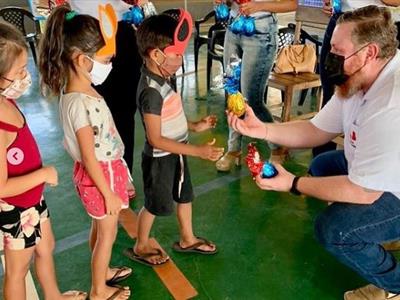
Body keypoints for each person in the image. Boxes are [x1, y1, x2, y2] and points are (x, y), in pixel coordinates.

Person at [228, 6, 400, 300]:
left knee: (334, 230)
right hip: (378, 171)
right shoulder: (360, 76)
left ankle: (394, 285)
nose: (328, 57)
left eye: (337, 50)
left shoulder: (390, 104)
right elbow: (317, 130)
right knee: (323, 165)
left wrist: (293, 184)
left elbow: (363, 192)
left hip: (384, 186)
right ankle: (380, 230)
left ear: (369, 53)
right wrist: (263, 130)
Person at [38, 6, 132, 300]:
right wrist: (109, 193)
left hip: (104, 171)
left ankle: (101, 272)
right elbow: (91, 157)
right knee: (108, 235)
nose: (109, 65)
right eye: (105, 60)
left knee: (99, 227)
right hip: (100, 174)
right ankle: (99, 289)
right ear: (81, 59)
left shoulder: (80, 90)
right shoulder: (79, 103)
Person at [124, 11, 224, 266]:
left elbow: (171, 120)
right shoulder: (151, 91)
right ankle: (141, 244)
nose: (181, 59)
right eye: (177, 54)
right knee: (154, 205)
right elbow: (156, 138)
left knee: (185, 196)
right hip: (160, 159)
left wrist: (194, 125)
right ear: (156, 55)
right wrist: (198, 151)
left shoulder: (163, 78)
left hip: (177, 153)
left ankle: (187, 238)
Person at [0, 22, 86, 300]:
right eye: (19, 72)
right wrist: (43, 174)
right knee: (18, 269)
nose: (26, 77)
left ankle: (53, 296)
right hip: (15, 207)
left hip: (32, 200)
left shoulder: (6, 101)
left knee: (46, 246)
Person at [213, 0, 297, 172]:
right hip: (234, 28)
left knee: (251, 100)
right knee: (232, 93)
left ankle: (277, 146)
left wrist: (259, 6)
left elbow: (294, 4)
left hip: (261, 32)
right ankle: (233, 149)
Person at [314, 0, 400, 157]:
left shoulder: (391, 101)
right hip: (344, 19)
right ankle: (329, 153)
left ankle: (362, 154)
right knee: (335, 91)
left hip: (375, 27)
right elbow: (314, 129)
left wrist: (295, 182)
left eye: (336, 49)